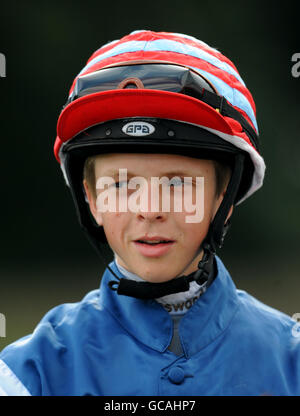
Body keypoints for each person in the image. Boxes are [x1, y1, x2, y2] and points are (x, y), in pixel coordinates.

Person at [0, 30, 299, 397]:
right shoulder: (28, 376)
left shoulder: (291, 364)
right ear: (90, 198)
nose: (150, 210)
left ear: (224, 196)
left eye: (177, 184)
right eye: (122, 185)